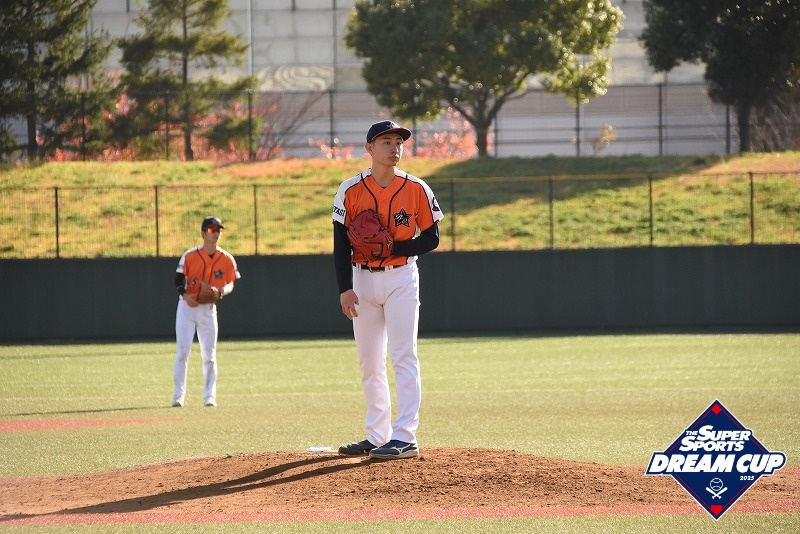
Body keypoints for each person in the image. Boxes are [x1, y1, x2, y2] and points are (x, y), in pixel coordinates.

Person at [332, 120, 444, 460]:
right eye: (386, 142)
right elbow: (340, 244)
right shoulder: (349, 190)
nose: (394, 147)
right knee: (369, 361)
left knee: (403, 355)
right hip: (362, 278)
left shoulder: (416, 188)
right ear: (369, 149)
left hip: (401, 278)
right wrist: (345, 288)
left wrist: (394, 247)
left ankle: (405, 436)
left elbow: (432, 238)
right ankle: (377, 435)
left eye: (398, 142)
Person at [172, 216, 241, 408]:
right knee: (183, 352)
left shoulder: (226, 258)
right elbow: (178, 280)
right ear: (203, 234)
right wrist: (185, 295)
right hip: (187, 308)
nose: (216, 233)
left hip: (208, 309)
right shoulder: (190, 256)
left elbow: (230, 283)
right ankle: (178, 395)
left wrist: (221, 291)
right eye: (212, 230)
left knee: (209, 355)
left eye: (218, 230)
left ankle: (210, 396)